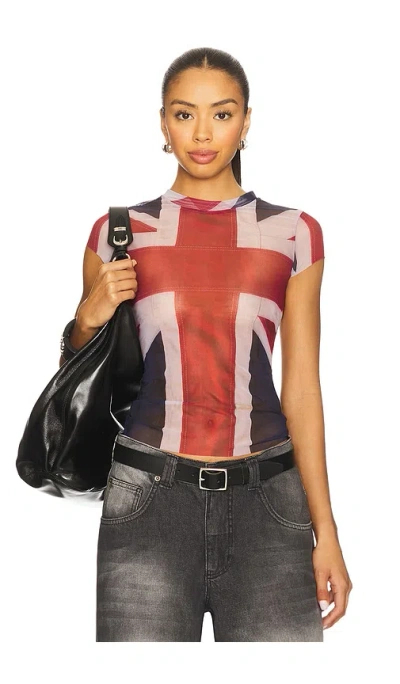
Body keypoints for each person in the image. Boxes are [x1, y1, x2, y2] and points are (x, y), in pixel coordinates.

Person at [60, 47, 352, 642]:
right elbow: (80, 378)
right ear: (163, 123)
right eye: (183, 113)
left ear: (246, 122)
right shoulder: (118, 232)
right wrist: (86, 317)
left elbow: (301, 388)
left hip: (270, 504)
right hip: (146, 501)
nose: (201, 133)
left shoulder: (294, 233)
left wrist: (327, 533)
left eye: (221, 114)